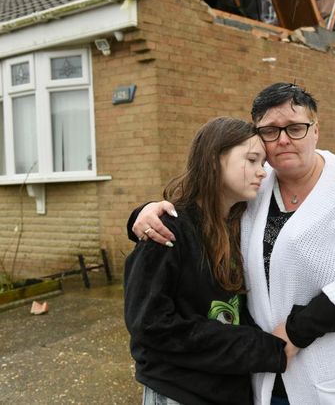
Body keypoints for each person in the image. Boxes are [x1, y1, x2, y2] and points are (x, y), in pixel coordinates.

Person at [131, 83, 335, 405]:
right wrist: (146, 213)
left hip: (334, 364)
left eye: (295, 128)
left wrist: (295, 331)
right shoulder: (257, 187)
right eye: (271, 131)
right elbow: (204, 204)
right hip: (264, 369)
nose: (283, 139)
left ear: (316, 130)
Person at [124, 117, 291, 405]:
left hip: (229, 391)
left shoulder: (240, 227)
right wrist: (263, 348)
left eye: (263, 162)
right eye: (252, 160)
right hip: (181, 393)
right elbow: (151, 325)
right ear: (214, 161)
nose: (262, 172)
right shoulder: (167, 230)